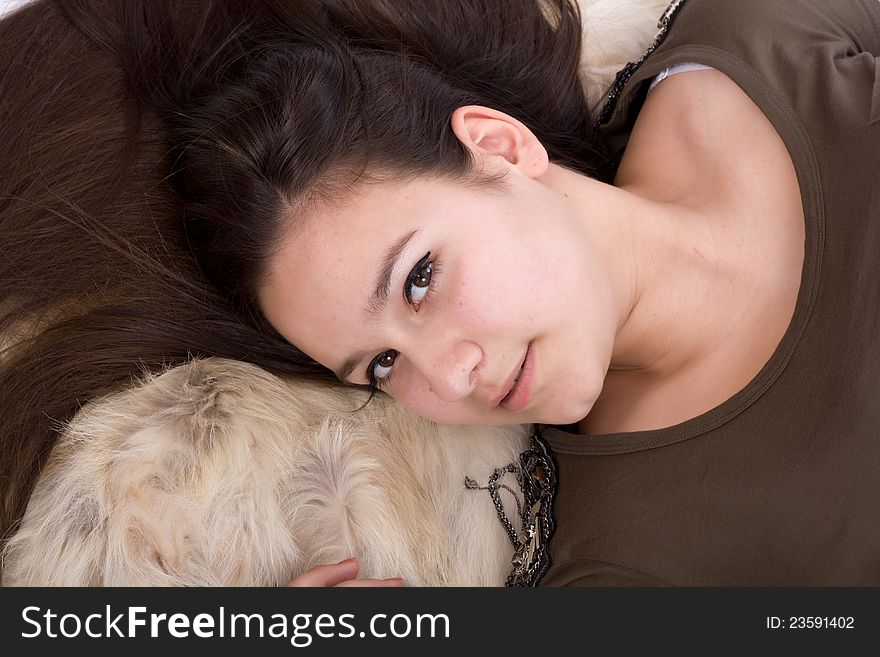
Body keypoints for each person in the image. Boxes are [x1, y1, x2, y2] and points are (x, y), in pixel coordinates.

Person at [2, 0, 879, 587]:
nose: (448, 377)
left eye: (421, 279)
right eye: (381, 364)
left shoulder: (766, 39)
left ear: (500, 145)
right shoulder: (629, 557)